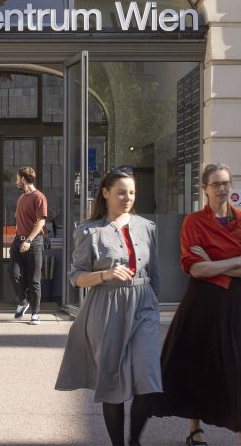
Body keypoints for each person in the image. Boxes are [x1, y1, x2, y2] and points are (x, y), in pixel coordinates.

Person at [154, 163, 241, 446]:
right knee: (195, 361)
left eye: (226, 183)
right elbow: (194, 270)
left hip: (232, 301)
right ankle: (194, 430)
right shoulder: (194, 222)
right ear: (205, 189)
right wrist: (235, 261)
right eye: (216, 184)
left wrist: (212, 264)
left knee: (240, 366)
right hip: (200, 301)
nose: (222, 188)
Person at [55, 166, 161, 446]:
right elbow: (76, 276)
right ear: (106, 193)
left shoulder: (147, 227)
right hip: (106, 307)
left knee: (149, 381)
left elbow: (156, 273)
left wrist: (153, 303)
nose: (128, 198)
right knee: (112, 381)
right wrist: (105, 274)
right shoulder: (89, 231)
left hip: (143, 303)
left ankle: (134, 440)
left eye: (132, 193)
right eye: (121, 192)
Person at [10, 165, 48, 325]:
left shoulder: (38, 197)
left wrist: (29, 240)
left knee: (34, 280)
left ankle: (36, 313)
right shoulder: (21, 198)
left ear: (23, 179)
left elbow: (41, 221)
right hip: (18, 241)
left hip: (33, 242)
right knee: (14, 274)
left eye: (17, 178)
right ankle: (23, 301)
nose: (16, 181)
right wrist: (19, 237)